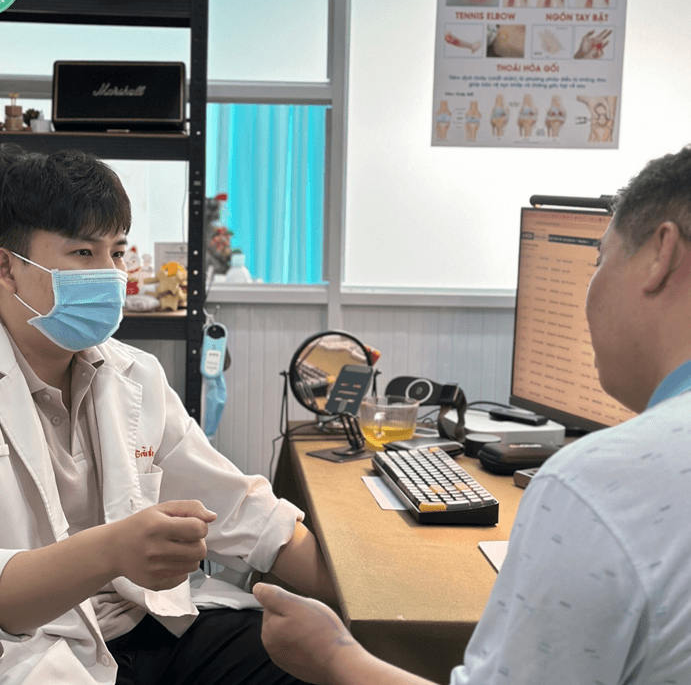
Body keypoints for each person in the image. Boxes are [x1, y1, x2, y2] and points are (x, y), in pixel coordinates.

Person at [254, 145, 691, 684]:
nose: (591, 287)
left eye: (599, 259)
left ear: (661, 254)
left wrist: (334, 656)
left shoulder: (598, 488)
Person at [0, 145, 335, 685]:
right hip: (41, 652)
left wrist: (369, 598)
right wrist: (111, 551)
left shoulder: (133, 373)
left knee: (316, 665)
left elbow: (242, 511)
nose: (112, 275)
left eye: (117, 251)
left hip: (153, 623)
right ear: (7, 268)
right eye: (83, 252)